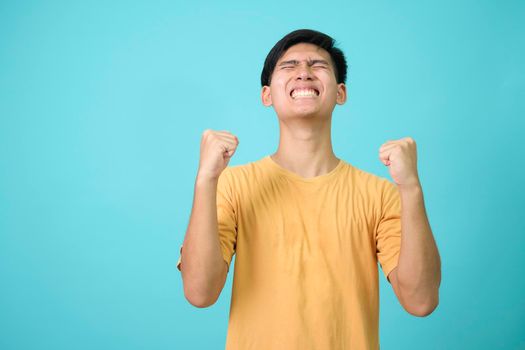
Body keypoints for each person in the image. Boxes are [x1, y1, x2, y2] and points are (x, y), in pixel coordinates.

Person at [177, 29, 441, 349]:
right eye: (289, 67)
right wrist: (205, 181)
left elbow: (421, 301)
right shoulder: (232, 185)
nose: (304, 72)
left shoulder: (381, 194)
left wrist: (411, 188)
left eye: (318, 65)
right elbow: (199, 292)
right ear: (267, 95)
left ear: (340, 92)